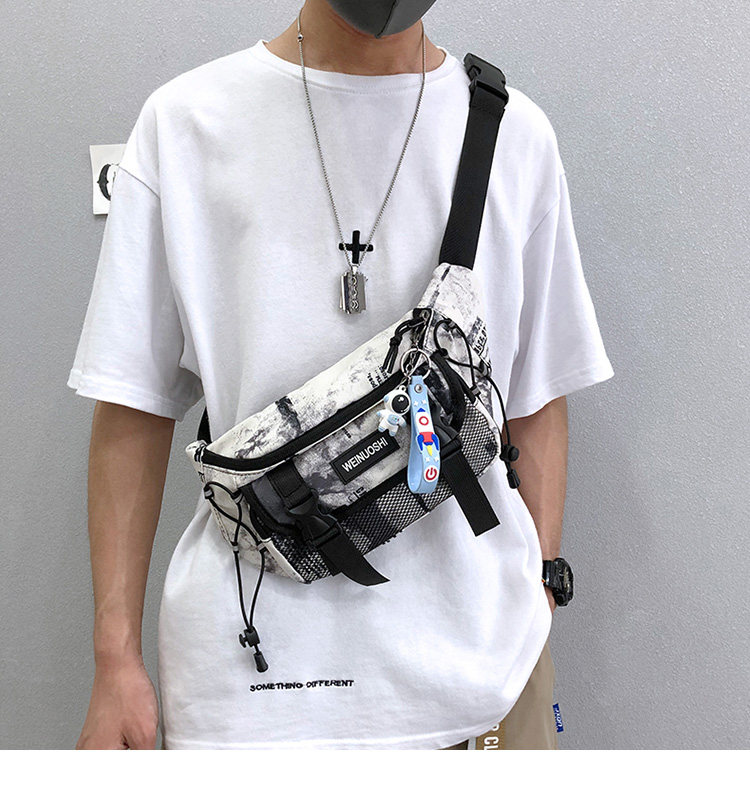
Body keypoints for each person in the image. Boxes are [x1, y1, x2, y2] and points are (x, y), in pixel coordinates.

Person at [68, 0, 613, 750]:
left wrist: (540, 586)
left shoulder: (515, 134)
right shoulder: (185, 124)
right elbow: (134, 407)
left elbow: (538, 396)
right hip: (250, 690)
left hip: (485, 678)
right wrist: (114, 660)